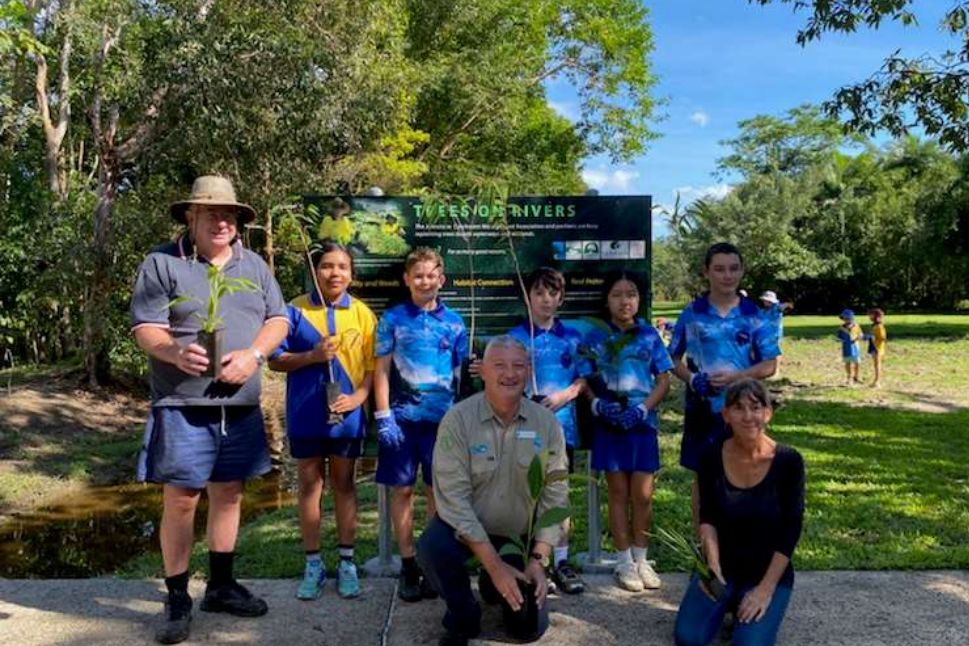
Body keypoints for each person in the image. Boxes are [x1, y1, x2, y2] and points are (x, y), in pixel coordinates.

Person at [130, 176, 289, 644]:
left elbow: (278, 319)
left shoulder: (253, 264)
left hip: (239, 403)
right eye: (211, 213)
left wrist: (254, 356)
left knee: (231, 493)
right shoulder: (163, 262)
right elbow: (145, 327)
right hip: (182, 402)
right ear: (190, 217)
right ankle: (177, 595)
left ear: (238, 222)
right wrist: (175, 352)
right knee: (181, 498)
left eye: (230, 214)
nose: (222, 221)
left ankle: (220, 585)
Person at [416, 336, 568, 646]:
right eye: (499, 365)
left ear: (527, 371)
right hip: (465, 532)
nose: (509, 374)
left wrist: (538, 561)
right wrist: (494, 564)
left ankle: (493, 582)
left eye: (518, 366)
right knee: (432, 548)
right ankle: (463, 614)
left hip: (518, 539)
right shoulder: (458, 420)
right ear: (482, 371)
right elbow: (453, 501)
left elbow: (556, 497)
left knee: (527, 630)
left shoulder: (547, 424)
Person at [267, 242, 376, 600]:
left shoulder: (362, 313)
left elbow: (374, 369)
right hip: (305, 415)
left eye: (342, 267)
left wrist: (359, 399)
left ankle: (347, 562)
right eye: (327, 266)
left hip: (347, 418)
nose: (335, 273)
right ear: (316, 271)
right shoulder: (293, 310)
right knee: (310, 487)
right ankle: (313, 563)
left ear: (351, 273)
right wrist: (312, 355)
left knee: (345, 486)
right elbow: (274, 360)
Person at [673, 379, 805, 646]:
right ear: (725, 414)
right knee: (689, 639)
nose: (748, 417)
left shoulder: (789, 461)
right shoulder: (711, 455)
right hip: (723, 567)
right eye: (738, 408)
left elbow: (790, 530)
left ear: (768, 413)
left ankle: (748, 604)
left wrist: (765, 590)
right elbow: (707, 516)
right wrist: (712, 567)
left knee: (750, 644)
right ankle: (727, 601)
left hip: (765, 572)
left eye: (756, 408)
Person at [374, 247, 468, 602]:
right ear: (406, 279)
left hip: (443, 425)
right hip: (401, 422)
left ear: (441, 279)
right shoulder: (393, 319)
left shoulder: (455, 322)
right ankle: (409, 563)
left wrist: (459, 419)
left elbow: (459, 374)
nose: (425, 281)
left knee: (437, 494)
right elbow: (380, 370)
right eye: (418, 276)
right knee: (401, 492)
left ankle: (434, 562)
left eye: (431, 275)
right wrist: (383, 415)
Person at [670, 242, 780, 529]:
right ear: (706, 272)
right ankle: (704, 557)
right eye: (719, 269)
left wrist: (736, 378)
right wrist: (693, 378)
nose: (727, 275)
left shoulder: (755, 315)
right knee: (704, 479)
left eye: (733, 269)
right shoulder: (692, 314)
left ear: (742, 271)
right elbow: (671, 359)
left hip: (744, 412)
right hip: (702, 411)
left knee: (747, 475)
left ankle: (740, 553)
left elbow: (770, 365)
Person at [585, 270, 673, 591]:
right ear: (607, 300)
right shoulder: (596, 336)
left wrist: (642, 408)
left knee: (643, 496)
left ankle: (641, 558)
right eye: (618, 294)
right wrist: (597, 404)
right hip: (609, 427)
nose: (625, 301)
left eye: (631, 294)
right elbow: (586, 380)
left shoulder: (649, 334)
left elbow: (664, 379)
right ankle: (623, 562)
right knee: (618, 495)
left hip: (642, 426)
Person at [507, 267, 588, 595]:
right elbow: (505, 381)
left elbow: (583, 381)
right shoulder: (514, 338)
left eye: (553, 294)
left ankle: (562, 561)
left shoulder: (572, 337)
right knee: (525, 497)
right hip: (522, 430)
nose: (546, 300)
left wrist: (561, 397)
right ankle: (530, 560)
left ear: (561, 298)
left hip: (562, 430)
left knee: (558, 495)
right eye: (539, 293)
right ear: (528, 297)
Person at [837, 309, 863, 385]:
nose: (846, 320)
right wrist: (839, 340)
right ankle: (849, 377)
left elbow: (860, 334)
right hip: (846, 347)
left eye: (847, 318)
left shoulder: (856, 326)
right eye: (844, 319)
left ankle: (857, 376)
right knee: (847, 362)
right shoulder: (841, 328)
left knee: (857, 362)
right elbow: (839, 337)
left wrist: (858, 338)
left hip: (855, 347)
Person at [866, 308, 887, 388]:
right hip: (874, 346)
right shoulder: (874, 325)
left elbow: (883, 337)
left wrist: (873, 337)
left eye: (871, 315)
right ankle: (876, 381)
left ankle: (877, 381)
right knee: (876, 364)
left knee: (877, 365)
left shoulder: (879, 326)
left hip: (877, 348)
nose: (869, 316)